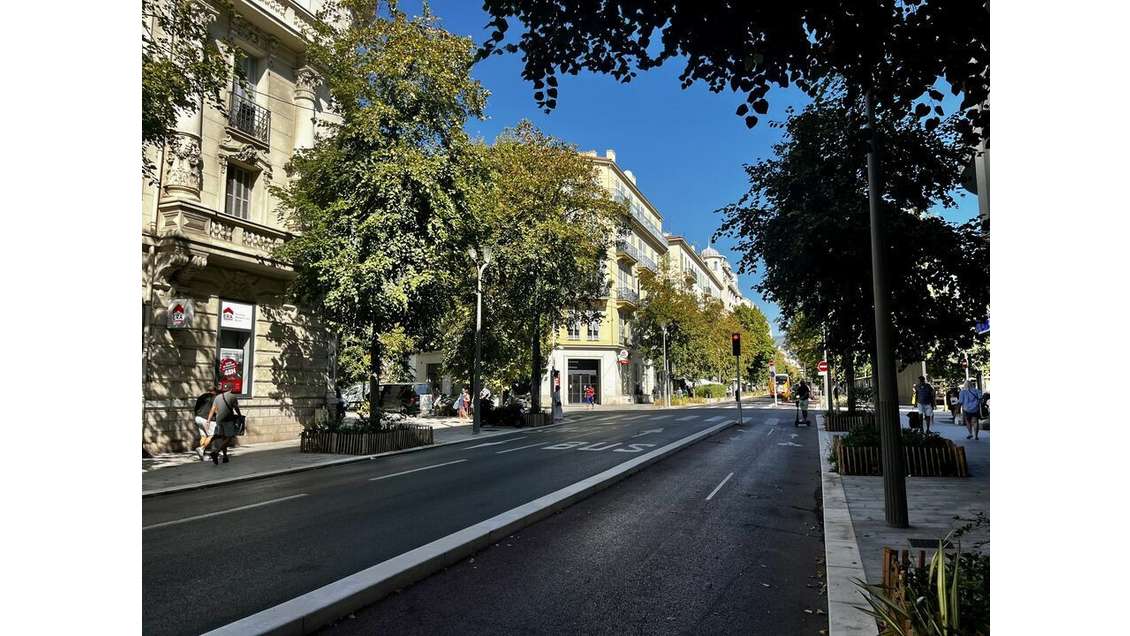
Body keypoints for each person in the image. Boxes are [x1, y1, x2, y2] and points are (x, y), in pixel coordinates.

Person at [205, 384, 243, 465]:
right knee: (229, 438)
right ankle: (216, 452)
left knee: (223, 439)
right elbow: (236, 408)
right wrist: (240, 416)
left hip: (219, 420)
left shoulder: (218, 397)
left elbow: (212, 409)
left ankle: (225, 457)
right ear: (231, 389)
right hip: (228, 420)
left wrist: (208, 421)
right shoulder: (232, 396)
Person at [192, 385, 219, 461]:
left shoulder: (201, 397)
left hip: (198, 417)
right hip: (206, 419)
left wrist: (196, 417)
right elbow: (215, 410)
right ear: (214, 391)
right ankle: (201, 448)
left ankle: (201, 455)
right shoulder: (214, 398)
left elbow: (196, 408)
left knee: (203, 436)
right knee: (213, 435)